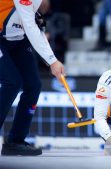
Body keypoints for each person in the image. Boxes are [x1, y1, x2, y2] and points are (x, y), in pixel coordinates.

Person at [0, 0, 64, 156]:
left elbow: (36, 29)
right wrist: (52, 61)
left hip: (18, 40)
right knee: (12, 82)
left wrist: (52, 60)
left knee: (33, 86)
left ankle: (16, 141)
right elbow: (30, 26)